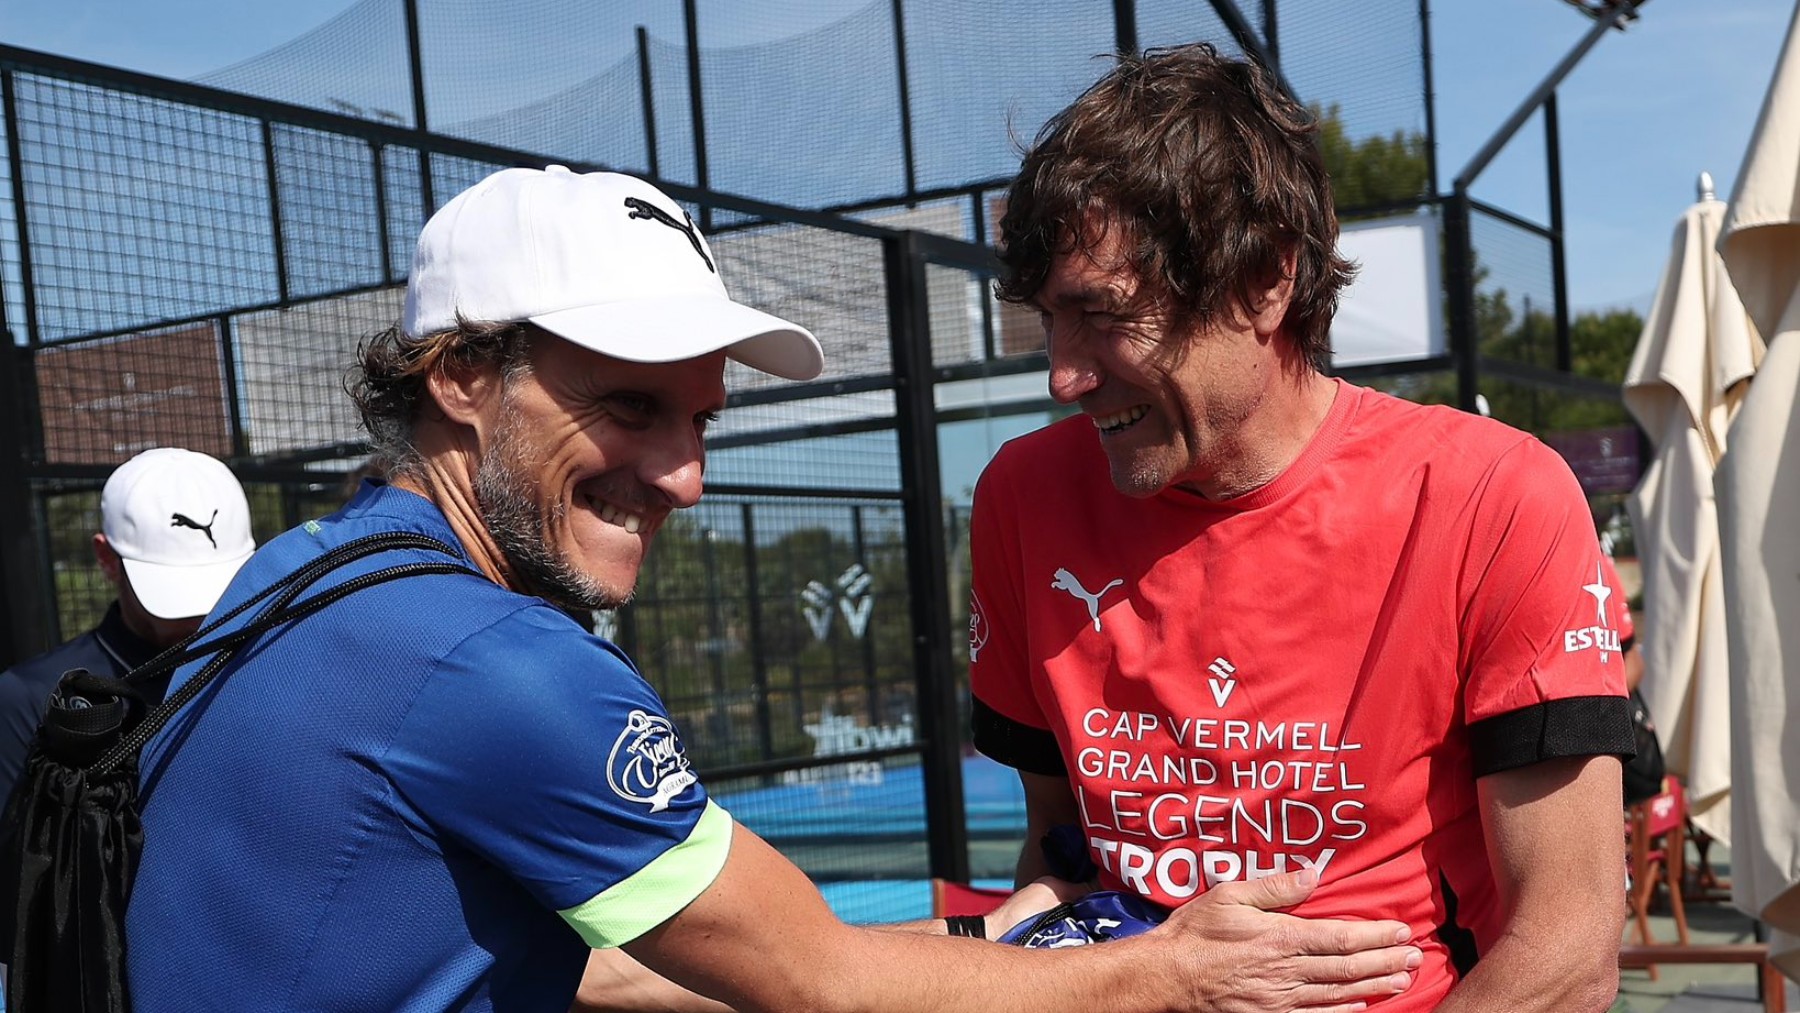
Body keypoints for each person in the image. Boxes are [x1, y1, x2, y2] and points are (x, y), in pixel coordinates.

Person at [122, 165, 1420, 1013]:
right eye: (629, 404)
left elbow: (614, 973)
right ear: (459, 377)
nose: (683, 477)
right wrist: (1170, 968)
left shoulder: (295, 580)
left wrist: (989, 942)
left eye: (699, 418)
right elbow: (819, 983)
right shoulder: (494, 665)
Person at [967, 44, 1634, 1013]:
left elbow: (1568, 948)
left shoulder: (1491, 492)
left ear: (1265, 280)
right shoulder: (1020, 496)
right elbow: (1061, 852)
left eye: (1102, 314)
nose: (1064, 375)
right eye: (1047, 321)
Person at [0, 446, 253, 807]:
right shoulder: (31, 699)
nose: (202, 612)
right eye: (171, 584)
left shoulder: (268, 667)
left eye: (220, 580)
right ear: (107, 559)